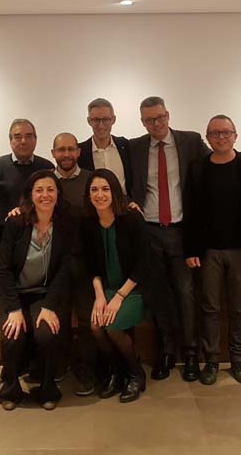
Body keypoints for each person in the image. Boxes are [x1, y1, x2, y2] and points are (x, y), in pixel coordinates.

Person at [128, 96, 209, 381]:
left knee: (186, 293)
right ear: (142, 122)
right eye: (150, 120)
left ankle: (191, 354)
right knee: (158, 295)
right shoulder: (135, 147)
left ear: (168, 115)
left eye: (160, 117)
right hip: (149, 230)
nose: (156, 123)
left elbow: (218, 158)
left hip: (181, 231)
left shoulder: (191, 141)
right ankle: (166, 352)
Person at [0, 170, 75, 410]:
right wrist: (14, 309)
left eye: (50, 189)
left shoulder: (66, 223)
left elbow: (64, 268)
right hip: (8, 291)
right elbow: (4, 268)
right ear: (30, 195)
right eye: (39, 190)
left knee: (47, 333)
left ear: (58, 194)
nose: (45, 195)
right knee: (13, 334)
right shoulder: (16, 222)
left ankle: (47, 388)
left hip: (42, 293)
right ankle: (10, 389)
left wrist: (50, 306)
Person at [183, 115, 241, 386]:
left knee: (238, 309)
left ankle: (238, 360)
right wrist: (191, 249)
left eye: (226, 132)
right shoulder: (197, 168)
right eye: (215, 133)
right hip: (209, 251)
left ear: (235, 136)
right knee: (210, 309)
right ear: (207, 138)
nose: (221, 137)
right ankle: (212, 360)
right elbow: (190, 211)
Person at [82, 169, 150, 402]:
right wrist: (100, 296)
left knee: (112, 326)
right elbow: (91, 265)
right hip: (107, 288)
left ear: (115, 192)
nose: (100, 194)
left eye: (105, 189)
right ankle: (115, 372)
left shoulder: (132, 218)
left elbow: (143, 263)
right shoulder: (88, 223)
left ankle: (135, 373)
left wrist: (119, 297)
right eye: (94, 189)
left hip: (134, 288)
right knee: (95, 326)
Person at [52, 133, 96, 396]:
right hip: (54, 264)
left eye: (71, 149)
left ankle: (86, 369)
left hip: (86, 262)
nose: (66, 154)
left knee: (87, 320)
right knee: (60, 319)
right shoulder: (47, 182)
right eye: (61, 150)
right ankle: (61, 364)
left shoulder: (91, 180)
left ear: (78, 152)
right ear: (53, 153)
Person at [0, 119, 54, 236]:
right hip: (4, 235)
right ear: (10, 140)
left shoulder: (46, 167)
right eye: (18, 137)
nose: (23, 141)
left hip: (39, 234)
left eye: (29, 136)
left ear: (35, 139)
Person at [79, 98, 131, 194]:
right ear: (89, 121)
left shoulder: (126, 146)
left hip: (125, 203)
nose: (101, 125)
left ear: (113, 119)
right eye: (96, 120)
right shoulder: (80, 152)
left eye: (105, 119)